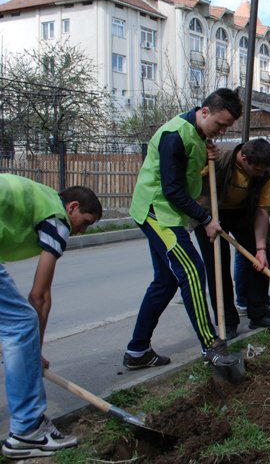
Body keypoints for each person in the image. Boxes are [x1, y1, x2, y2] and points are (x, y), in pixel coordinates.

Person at [124, 88, 241, 371]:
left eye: (226, 127)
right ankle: (211, 346)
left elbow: (190, 171)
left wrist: (206, 152)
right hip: (156, 212)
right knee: (192, 270)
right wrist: (205, 218)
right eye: (220, 124)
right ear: (204, 112)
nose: (222, 132)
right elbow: (172, 188)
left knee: (164, 283)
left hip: (172, 214)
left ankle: (137, 351)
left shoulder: (199, 135)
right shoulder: (173, 136)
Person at [0, 175, 101, 459]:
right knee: (21, 324)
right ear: (72, 207)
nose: (81, 231)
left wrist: (31, 351)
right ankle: (27, 431)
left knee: (13, 325)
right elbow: (39, 297)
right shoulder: (57, 218)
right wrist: (33, 350)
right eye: (86, 221)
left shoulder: (41, 200)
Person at [194, 138, 270, 338]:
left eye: (265, 170)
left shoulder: (265, 173)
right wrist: (205, 219)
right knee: (217, 265)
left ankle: (259, 312)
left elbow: (262, 211)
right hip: (210, 213)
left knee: (260, 258)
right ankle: (227, 320)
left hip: (242, 213)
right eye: (258, 169)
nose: (262, 174)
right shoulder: (218, 159)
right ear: (244, 159)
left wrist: (261, 249)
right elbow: (192, 182)